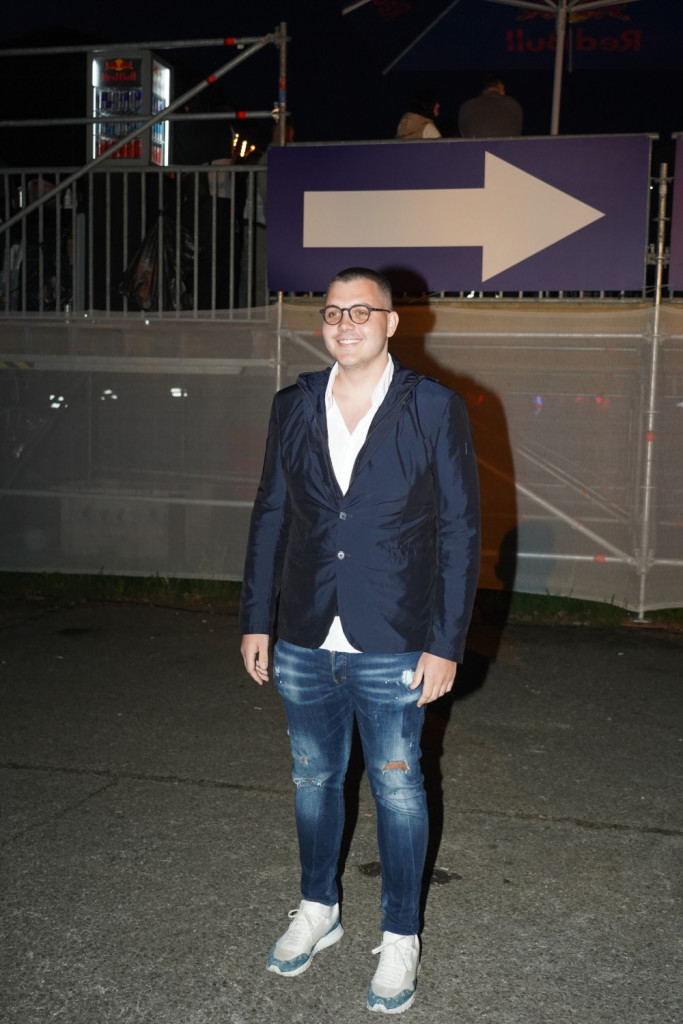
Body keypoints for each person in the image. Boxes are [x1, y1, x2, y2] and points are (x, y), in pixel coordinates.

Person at [239, 266, 480, 1014]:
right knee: (312, 777)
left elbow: (459, 530)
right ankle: (319, 908)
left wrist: (445, 643)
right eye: (333, 312)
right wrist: (256, 617)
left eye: (361, 311)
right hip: (305, 633)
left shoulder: (433, 406)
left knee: (399, 786)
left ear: (391, 323)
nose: (345, 324)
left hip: (397, 636)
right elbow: (271, 513)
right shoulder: (293, 404)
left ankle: (400, 934)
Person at [458, 74, 523, 139]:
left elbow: (463, 135)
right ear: (501, 86)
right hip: (508, 145)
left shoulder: (467, 107)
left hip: (475, 145)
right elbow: (517, 133)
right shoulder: (513, 105)